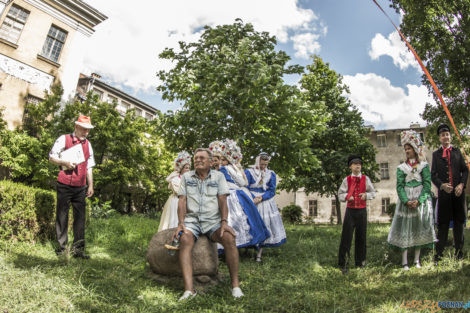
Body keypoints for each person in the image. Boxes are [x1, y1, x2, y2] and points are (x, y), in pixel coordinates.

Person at [174, 148, 244, 300]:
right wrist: (181, 224)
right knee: (184, 239)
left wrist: (224, 222)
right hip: (192, 221)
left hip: (213, 221)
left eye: (201, 158)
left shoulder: (219, 177)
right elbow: (182, 200)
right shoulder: (186, 177)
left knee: (229, 238)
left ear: (211, 162)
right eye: (196, 158)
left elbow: (223, 201)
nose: (197, 160)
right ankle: (189, 290)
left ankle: (236, 286)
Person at [387, 130, 436, 270]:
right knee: (405, 229)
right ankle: (404, 262)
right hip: (407, 202)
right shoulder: (401, 168)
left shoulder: (424, 166)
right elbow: (399, 186)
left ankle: (416, 260)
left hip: (420, 201)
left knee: (418, 226)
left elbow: (427, 185)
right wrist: (406, 201)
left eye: (409, 148)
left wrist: (420, 200)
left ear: (415, 149)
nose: (407, 151)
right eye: (405, 149)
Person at [49, 115, 95, 259]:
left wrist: (90, 185)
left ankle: (78, 250)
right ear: (76, 127)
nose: (85, 133)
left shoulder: (88, 144)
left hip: (80, 187)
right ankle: (62, 249)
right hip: (64, 184)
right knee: (62, 216)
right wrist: (65, 162)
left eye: (87, 130)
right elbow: (51, 157)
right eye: (83, 129)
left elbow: (89, 166)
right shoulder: (64, 139)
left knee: (80, 218)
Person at [218, 139, 270, 251]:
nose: (221, 162)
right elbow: (244, 183)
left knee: (234, 220)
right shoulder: (233, 168)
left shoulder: (226, 168)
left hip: (232, 195)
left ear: (229, 159)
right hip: (234, 194)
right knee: (238, 220)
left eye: (223, 159)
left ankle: (233, 245)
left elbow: (243, 183)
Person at [432, 123, 468, 263]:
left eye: (447, 134)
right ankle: (438, 256)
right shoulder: (436, 155)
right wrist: (441, 185)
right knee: (443, 225)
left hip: (458, 195)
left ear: (450, 136)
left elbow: (465, 170)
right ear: (439, 138)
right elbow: (433, 175)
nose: (445, 137)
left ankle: (459, 254)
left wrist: (461, 184)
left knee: (459, 224)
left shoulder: (457, 152)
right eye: (442, 135)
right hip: (444, 196)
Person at [337, 155, 376, 274]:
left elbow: (373, 192)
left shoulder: (366, 178)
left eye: (359, 163)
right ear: (350, 166)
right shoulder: (346, 180)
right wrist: (348, 197)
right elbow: (340, 195)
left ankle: (360, 262)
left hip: (362, 211)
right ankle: (343, 263)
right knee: (346, 237)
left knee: (361, 237)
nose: (358, 165)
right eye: (355, 163)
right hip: (350, 211)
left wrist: (366, 196)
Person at [245, 152, 286, 262]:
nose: (263, 167)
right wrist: (252, 197)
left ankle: (259, 254)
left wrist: (261, 198)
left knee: (265, 224)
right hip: (251, 199)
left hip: (264, 201)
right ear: (257, 161)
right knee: (249, 224)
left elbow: (272, 191)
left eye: (265, 165)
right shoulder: (249, 172)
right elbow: (244, 187)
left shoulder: (271, 174)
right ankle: (248, 247)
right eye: (261, 164)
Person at [158, 151, 191, 232]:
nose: (188, 170)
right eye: (186, 168)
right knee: (174, 220)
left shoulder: (190, 179)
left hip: (187, 202)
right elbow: (179, 191)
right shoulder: (175, 179)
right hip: (176, 201)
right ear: (181, 169)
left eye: (189, 168)